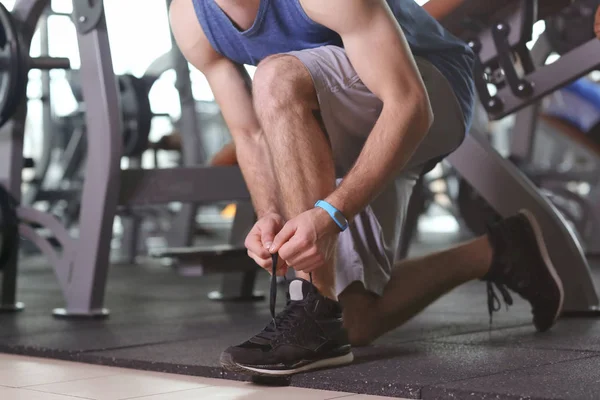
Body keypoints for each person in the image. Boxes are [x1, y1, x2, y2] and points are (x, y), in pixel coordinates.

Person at [169, 0, 564, 377]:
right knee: (355, 320)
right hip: (343, 111)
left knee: (275, 76)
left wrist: (332, 213)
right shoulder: (191, 17)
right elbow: (250, 134)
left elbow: (410, 103)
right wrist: (269, 211)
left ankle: (312, 310)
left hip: (428, 88)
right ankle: (499, 250)